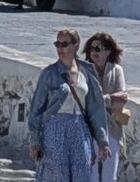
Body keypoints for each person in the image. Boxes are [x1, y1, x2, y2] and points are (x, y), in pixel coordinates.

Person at [26, 28, 111, 181]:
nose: (60, 48)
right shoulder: (49, 73)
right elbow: (36, 110)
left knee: (82, 172)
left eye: (64, 44)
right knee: (57, 174)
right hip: (55, 129)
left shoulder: (87, 71)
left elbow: (96, 109)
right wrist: (35, 141)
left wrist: (102, 141)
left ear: (76, 45)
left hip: (80, 129)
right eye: (57, 44)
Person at [84, 32, 130, 181]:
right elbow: (88, 101)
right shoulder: (84, 71)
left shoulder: (116, 71)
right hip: (90, 128)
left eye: (98, 48)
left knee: (110, 175)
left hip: (112, 128)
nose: (93, 52)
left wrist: (103, 100)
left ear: (108, 51)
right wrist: (110, 98)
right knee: (91, 174)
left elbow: (122, 99)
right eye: (91, 48)